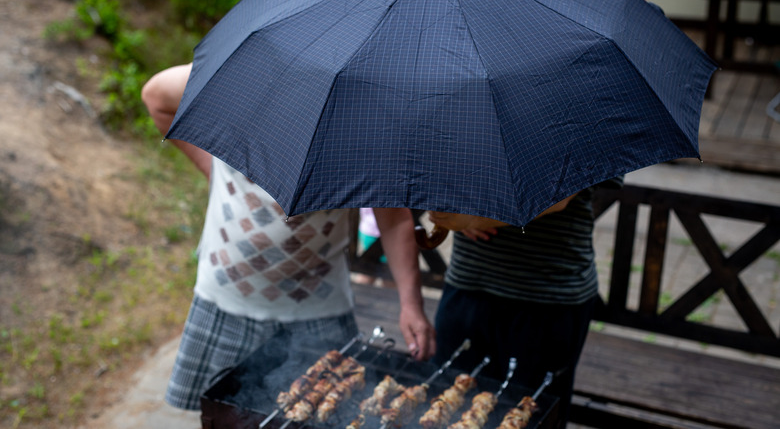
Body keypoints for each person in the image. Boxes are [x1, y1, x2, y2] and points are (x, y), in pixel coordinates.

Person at [141, 64, 435, 412]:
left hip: (318, 309)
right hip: (226, 299)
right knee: (223, 417)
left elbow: (393, 216)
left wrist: (410, 303)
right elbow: (157, 98)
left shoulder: (363, 111)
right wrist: (211, 167)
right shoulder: (234, 78)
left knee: (325, 415)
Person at [428, 178, 622, 429]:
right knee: (445, 414)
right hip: (467, 289)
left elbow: (561, 193)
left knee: (532, 419)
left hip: (547, 302)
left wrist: (474, 218)